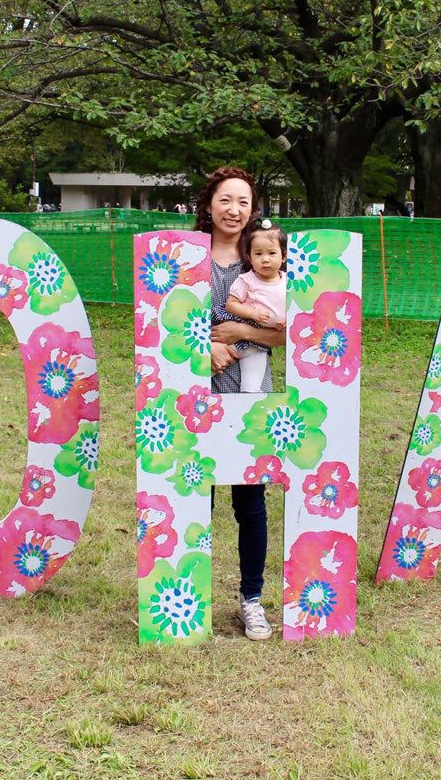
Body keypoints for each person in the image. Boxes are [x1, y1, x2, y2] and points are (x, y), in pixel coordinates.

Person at [196, 167, 285, 640]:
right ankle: (192, 595)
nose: (233, 210)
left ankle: (252, 599)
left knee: (250, 502)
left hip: (250, 393)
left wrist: (237, 333)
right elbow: (162, 323)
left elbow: (290, 330)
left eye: (243, 202)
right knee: (197, 498)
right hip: (196, 395)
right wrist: (206, 347)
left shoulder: (266, 260)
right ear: (209, 203)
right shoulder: (186, 256)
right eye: (225, 200)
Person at [225, 219, 287, 394]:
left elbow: (291, 309)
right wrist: (251, 313)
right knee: (208, 366)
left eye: (272, 253)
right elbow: (231, 304)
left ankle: (249, 398)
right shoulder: (247, 280)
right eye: (258, 254)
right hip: (235, 338)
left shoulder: (289, 282)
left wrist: (283, 322)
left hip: (258, 345)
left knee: (251, 387)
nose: (265, 259)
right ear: (250, 257)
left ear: (283, 256)